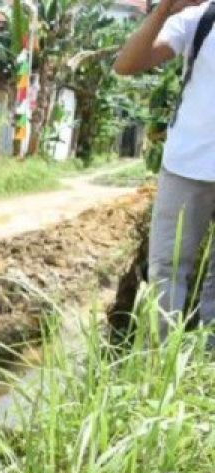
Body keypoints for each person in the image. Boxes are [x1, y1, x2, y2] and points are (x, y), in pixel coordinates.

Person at [114, 0, 215, 332]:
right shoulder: (198, 18)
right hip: (187, 164)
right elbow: (127, 64)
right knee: (167, 271)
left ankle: (206, 366)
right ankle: (161, 368)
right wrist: (163, 9)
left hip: (187, 162)